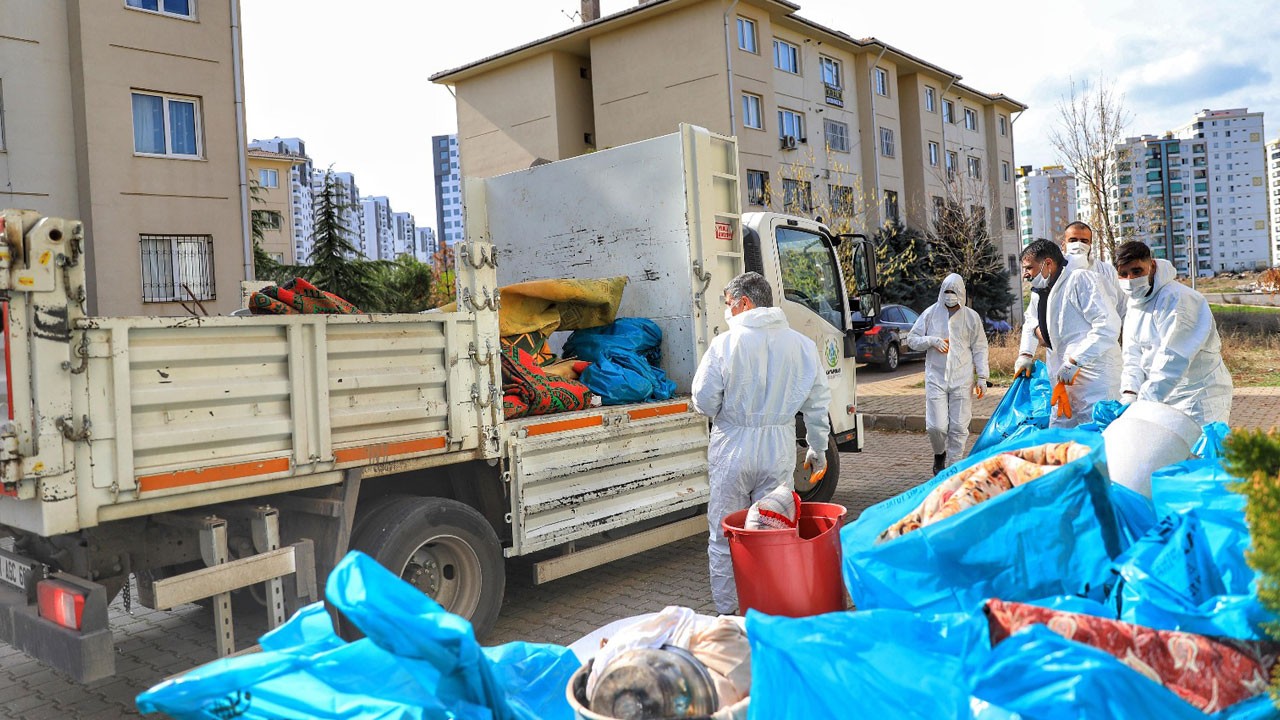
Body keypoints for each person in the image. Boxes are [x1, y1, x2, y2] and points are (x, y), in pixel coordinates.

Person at [691, 271, 831, 614]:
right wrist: (818, 448)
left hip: (732, 447)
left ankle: (728, 615)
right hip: (779, 448)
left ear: (744, 303)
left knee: (726, 535)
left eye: (728, 304)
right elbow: (817, 404)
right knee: (774, 532)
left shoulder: (725, 344)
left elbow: (703, 400)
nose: (727, 311)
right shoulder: (801, 345)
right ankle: (772, 609)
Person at [1113, 241, 1233, 424]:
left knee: (1200, 450)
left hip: (1198, 395)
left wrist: (1143, 403)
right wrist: (1130, 394)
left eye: (1137, 271)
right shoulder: (1135, 304)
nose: (1130, 280)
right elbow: (1132, 355)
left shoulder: (1179, 299)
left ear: (1152, 265)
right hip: (1161, 397)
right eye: (1123, 274)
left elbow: (1173, 357)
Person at [1015, 239, 1122, 427]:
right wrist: (1025, 354)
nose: (1025, 274)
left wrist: (1075, 361)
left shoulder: (1080, 280)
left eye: (1029, 268)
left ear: (1047, 263)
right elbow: (1031, 322)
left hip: (1095, 379)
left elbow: (1108, 325)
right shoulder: (1040, 291)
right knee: (1060, 439)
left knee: (1095, 438)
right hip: (1063, 379)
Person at [905, 274, 989, 475]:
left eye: (954, 292)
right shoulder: (931, 313)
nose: (950, 297)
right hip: (936, 376)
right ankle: (939, 452)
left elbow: (980, 347)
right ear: (941, 292)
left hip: (962, 377)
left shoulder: (971, 317)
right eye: (947, 292)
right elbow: (911, 339)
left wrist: (983, 377)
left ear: (961, 293)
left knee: (959, 427)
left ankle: (953, 470)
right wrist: (931, 341)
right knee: (937, 427)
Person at [1061, 221, 1126, 322]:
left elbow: (1122, 306)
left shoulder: (1106, 271)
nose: (1078, 245)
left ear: (1090, 244)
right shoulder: (1055, 272)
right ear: (1063, 244)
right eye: (1073, 240)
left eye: (1084, 241)